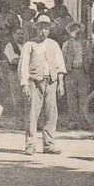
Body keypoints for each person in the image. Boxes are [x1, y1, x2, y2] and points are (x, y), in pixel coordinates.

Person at [17, 14, 66, 155]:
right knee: (32, 113)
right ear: (36, 29)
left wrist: (60, 83)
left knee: (51, 113)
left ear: (49, 30)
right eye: (40, 28)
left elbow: (60, 65)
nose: (43, 31)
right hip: (34, 82)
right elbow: (23, 66)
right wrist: (24, 84)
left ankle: (48, 145)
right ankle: (30, 145)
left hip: (51, 82)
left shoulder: (54, 44)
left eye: (46, 28)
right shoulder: (29, 45)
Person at [62, 22, 92, 128]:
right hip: (70, 72)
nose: (77, 32)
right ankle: (72, 121)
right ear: (70, 32)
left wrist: (87, 64)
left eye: (78, 30)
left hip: (82, 72)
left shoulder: (86, 43)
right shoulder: (66, 44)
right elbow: (63, 59)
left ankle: (83, 121)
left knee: (83, 96)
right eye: (74, 30)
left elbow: (90, 57)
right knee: (71, 97)